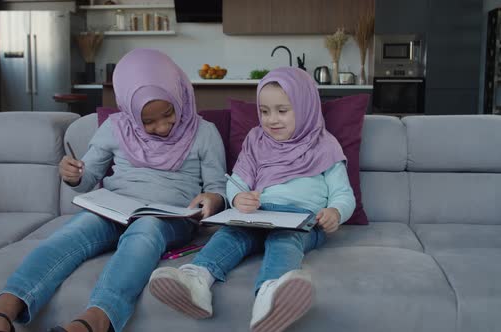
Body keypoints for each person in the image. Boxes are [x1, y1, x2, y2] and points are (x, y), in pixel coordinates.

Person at [0, 49, 227, 332]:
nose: (162, 127)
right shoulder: (115, 128)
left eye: (168, 114)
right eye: (148, 121)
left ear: (179, 95)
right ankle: (1, 311)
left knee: (145, 231)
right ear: (131, 114)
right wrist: (73, 175)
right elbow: (87, 177)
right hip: (115, 208)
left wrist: (212, 199)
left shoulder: (204, 132)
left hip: (169, 219)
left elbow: (217, 189)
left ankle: (94, 320)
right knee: (72, 233)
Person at [148, 67, 355, 332]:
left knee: (284, 239)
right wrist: (239, 199)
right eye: (265, 111)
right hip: (258, 215)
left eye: (282, 111)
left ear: (306, 108)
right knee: (230, 233)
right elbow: (237, 182)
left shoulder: (325, 144)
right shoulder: (256, 139)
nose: (271, 120)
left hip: (302, 220)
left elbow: (343, 193)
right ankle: (196, 279)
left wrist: (335, 212)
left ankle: (270, 295)